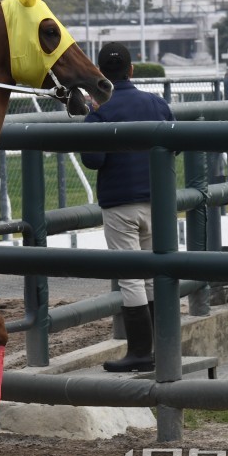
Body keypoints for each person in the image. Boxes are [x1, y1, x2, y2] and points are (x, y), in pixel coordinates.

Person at [80, 42, 175, 372]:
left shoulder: (101, 111)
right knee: (153, 277)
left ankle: (139, 352)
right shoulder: (156, 102)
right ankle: (162, 349)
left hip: (120, 203)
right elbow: (172, 146)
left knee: (132, 280)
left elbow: (93, 160)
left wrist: (91, 115)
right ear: (132, 70)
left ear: (101, 73)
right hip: (157, 202)